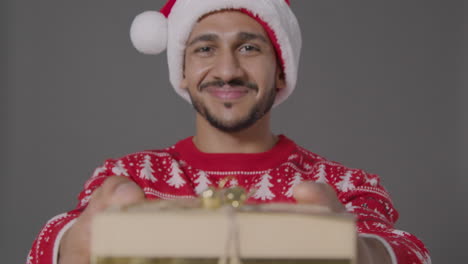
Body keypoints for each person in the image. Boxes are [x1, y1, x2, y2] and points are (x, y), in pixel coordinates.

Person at [27, 1, 431, 263]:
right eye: (205, 49)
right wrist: (72, 247)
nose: (226, 70)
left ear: (280, 72)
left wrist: (360, 253)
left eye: (249, 48)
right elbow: (48, 242)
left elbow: (410, 251)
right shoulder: (126, 178)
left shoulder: (344, 188)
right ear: (182, 73)